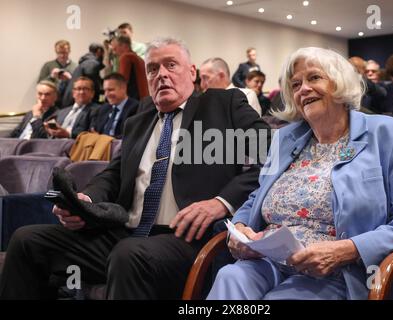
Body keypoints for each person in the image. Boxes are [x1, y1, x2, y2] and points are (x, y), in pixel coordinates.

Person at [0, 37, 270, 300]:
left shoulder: (222, 104)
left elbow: (270, 156)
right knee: (27, 241)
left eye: (171, 65)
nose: (161, 74)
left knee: (129, 254)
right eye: (152, 69)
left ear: (192, 72)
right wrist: (87, 200)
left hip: (187, 239)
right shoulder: (138, 122)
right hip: (124, 233)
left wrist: (221, 202)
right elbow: (114, 175)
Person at [207, 47, 393, 300]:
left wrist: (346, 250)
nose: (303, 89)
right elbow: (256, 197)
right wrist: (239, 227)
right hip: (268, 261)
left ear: (339, 82)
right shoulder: (284, 139)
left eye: (314, 78)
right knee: (230, 277)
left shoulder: (388, 134)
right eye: (295, 84)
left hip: (341, 272)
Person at [91, 73, 139, 139]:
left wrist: (104, 140)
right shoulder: (103, 108)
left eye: (110, 90)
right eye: (105, 91)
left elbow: (130, 136)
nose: (106, 95)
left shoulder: (136, 108)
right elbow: (94, 130)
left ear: (123, 88)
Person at [61, 43, 105, 108]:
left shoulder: (85, 62)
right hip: (77, 102)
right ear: (99, 51)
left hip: (70, 100)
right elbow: (92, 81)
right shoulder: (92, 62)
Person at [38, 40, 77, 107]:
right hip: (51, 102)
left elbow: (80, 85)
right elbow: (40, 84)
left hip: (70, 101)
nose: (62, 55)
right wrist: (51, 77)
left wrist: (70, 78)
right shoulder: (48, 65)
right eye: (59, 53)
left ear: (69, 51)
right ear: (56, 52)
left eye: (65, 53)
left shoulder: (75, 66)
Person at [110, 35, 149, 101]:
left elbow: (122, 81)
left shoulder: (126, 57)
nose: (114, 52)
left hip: (133, 99)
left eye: (115, 49)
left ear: (124, 46)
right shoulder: (139, 58)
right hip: (143, 98)